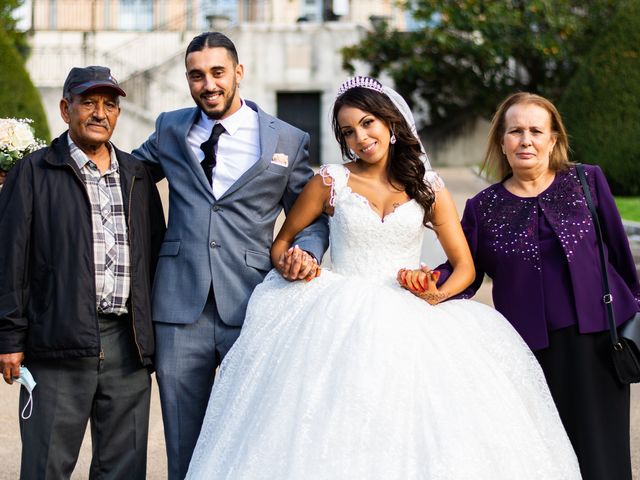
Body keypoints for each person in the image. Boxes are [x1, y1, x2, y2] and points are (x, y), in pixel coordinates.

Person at [185, 77, 581, 479]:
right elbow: (283, 241)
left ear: (391, 125)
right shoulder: (330, 180)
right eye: (348, 131)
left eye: (368, 123)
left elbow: (463, 267)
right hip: (334, 314)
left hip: (410, 314)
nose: (360, 137)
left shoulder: (428, 187)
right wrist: (292, 260)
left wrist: (433, 292)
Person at [403, 92, 639, 480]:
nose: (525, 140)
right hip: (530, 351)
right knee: (545, 455)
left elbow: (620, 255)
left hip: (599, 343)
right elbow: (465, 270)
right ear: (501, 141)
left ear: (553, 139)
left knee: (603, 455)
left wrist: (636, 317)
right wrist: (429, 282)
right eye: (515, 131)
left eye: (535, 131)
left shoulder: (587, 181)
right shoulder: (484, 207)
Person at [132, 31, 329, 479]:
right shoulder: (170, 128)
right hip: (179, 307)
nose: (208, 85)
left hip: (254, 303)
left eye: (218, 73)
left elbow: (311, 217)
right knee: (183, 440)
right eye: (196, 76)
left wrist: (307, 252)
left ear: (239, 73)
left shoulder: (287, 140)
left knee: (253, 434)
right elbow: (124, 171)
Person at [0, 66, 165, 479]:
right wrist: (8, 338)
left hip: (127, 347)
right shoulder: (32, 173)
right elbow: (10, 261)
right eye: (88, 102)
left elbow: (156, 254)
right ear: (65, 109)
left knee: (122, 469)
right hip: (56, 342)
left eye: (110, 104)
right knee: (46, 467)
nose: (99, 113)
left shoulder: (137, 176)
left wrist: (151, 338)